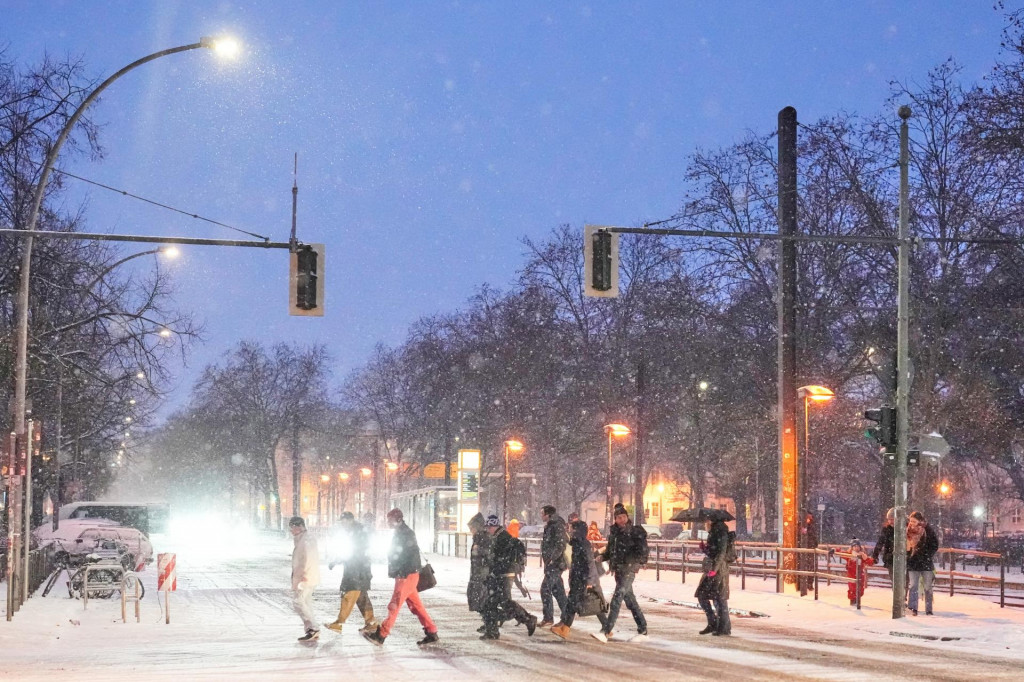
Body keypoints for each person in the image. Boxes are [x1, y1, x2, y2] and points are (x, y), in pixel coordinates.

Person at [362, 509, 439, 646]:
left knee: (394, 605)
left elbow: (408, 555)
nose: (387, 522)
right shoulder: (402, 532)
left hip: (406, 575)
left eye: (389, 520)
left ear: (397, 519)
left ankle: (381, 635)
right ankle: (431, 631)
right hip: (407, 574)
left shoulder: (405, 533)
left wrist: (401, 573)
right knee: (416, 606)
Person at [593, 503, 648, 642]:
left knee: (617, 599)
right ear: (615, 519)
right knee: (630, 601)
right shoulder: (615, 534)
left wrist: (636, 563)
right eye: (618, 518)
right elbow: (611, 551)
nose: (621, 520)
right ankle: (643, 628)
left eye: (623, 517)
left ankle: (606, 630)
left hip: (628, 570)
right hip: (619, 570)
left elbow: (642, 551)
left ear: (627, 517)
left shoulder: (634, 532)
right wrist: (603, 557)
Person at [480, 515, 537, 640]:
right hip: (502, 574)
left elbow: (500, 559)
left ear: (494, 526)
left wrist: (494, 570)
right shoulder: (499, 536)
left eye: (489, 527)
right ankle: (492, 630)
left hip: (504, 574)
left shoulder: (502, 538)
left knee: (503, 603)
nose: (488, 530)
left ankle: (527, 619)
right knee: (492, 603)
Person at [551, 520, 607, 639]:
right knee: (591, 603)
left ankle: (565, 629)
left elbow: (589, 562)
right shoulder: (577, 542)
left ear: (577, 530)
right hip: (579, 577)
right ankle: (606, 627)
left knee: (575, 603)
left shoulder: (582, 543)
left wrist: (589, 581)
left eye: (571, 528)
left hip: (582, 579)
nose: (569, 530)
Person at [324, 511, 377, 634]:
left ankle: (339, 623)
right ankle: (371, 622)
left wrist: (336, 561)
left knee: (348, 595)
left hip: (356, 571)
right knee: (361, 597)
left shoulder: (356, 533)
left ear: (350, 520)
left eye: (344, 522)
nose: (342, 524)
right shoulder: (355, 531)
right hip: (359, 570)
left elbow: (352, 553)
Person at [695, 517, 731, 636]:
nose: (705, 523)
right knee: (706, 596)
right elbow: (714, 552)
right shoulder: (714, 532)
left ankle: (722, 627)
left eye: (707, 521)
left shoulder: (720, 532)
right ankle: (714, 624)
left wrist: (715, 569)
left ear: (712, 521)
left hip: (719, 570)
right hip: (713, 568)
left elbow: (721, 553)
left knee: (719, 598)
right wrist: (705, 549)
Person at [289, 516, 321, 642]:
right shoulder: (302, 539)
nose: (291, 530)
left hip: (306, 578)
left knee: (298, 602)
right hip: (305, 576)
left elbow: (309, 559)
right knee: (305, 603)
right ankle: (311, 629)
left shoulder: (307, 540)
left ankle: (313, 628)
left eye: (292, 527)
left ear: (299, 527)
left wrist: (304, 576)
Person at [539, 505, 569, 627]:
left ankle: (548, 618)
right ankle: (567, 616)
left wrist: (552, 558)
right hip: (553, 563)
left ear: (548, 514)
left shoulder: (556, 525)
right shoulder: (552, 525)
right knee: (558, 591)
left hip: (556, 564)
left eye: (542, 513)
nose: (541, 516)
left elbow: (560, 544)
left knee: (545, 588)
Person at [907, 511, 938, 616]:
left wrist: (927, 554)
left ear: (919, 521)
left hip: (926, 563)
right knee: (913, 586)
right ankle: (912, 608)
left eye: (913, 521)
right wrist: (908, 555)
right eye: (910, 521)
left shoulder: (927, 530)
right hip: (913, 562)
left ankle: (929, 609)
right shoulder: (908, 532)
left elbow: (935, 544)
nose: (911, 523)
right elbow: (905, 545)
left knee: (928, 587)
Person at [467, 512, 491, 616]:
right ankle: (487, 622)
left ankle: (490, 623)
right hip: (477, 572)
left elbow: (489, 554)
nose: (470, 530)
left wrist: (480, 550)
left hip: (481, 573)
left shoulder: (484, 537)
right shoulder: (478, 537)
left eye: (471, 528)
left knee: (482, 599)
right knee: (477, 598)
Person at [844, 538, 874, 606]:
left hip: (860, 575)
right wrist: (835, 550)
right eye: (854, 546)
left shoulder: (862, 555)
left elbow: (869, 562)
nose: (856, 548)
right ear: (852, 547)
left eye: (857, 546)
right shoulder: (850, 554)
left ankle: (857, 600)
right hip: (851, 574)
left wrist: (868, 559)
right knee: (852, 588)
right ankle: (853, 601)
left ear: (860, 547)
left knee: (860, 589)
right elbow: (842, 553)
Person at [870, 508, 896, 580]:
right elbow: (880, 543)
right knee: (894, 580)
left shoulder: (904, 529)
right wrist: (875, 555)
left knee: (903, 581)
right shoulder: (886, 530)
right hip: (891, 558)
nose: (891, 521)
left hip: (903, 559)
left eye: (893, 519)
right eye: (889, 519)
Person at [798, 512, 818, 594]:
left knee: (809, 566)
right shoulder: (806, 526)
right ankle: (805, 584)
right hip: (807, 548)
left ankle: (809, 584)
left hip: (809, 548)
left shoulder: (811, 526)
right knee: (806, 566)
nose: (809, 519)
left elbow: (813, 537)